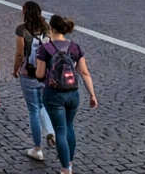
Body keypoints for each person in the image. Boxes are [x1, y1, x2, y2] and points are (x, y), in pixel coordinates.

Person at [36, 14, 98, 174]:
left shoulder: (45, 49)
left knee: (60, 130)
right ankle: (69, 161)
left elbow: (40, 75)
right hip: (73, 93)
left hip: (54, 94)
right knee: (69, 127)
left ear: (51, 28)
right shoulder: (75, 47)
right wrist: (92, 94)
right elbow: (84, 72)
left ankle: (65, 169)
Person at [12, 1, 54, 162]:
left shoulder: (21, 29)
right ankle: (50, 131)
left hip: (28, 72)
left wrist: (15, 69)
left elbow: (20, 53)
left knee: (33, 110)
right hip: (44, 72)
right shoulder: (46, 28)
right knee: (43, 104)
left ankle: (37, 148)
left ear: (24, 12)